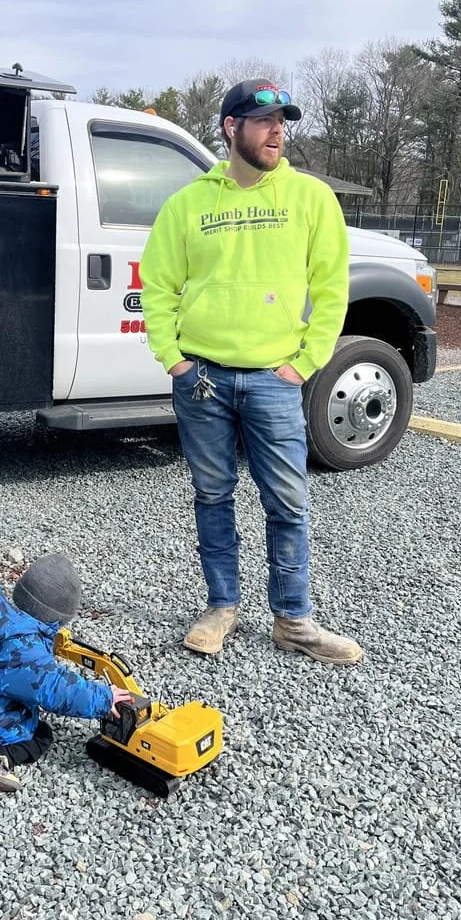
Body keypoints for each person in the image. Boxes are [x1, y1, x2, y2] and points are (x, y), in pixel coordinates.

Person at [139, 78, 363, 665]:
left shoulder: (311, 198)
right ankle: (221, 608)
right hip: (202, 380)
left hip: (273, 379)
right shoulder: (188, 204)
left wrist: (304, 364)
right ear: (231, 127)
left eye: (282, 121)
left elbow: (331, 290)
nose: (277, 132)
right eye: (264, 121)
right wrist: (174, 360)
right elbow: (157, 286)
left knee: (287, 502)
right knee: (212, 495)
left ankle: (293, 620)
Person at [0, 554, 132, 792]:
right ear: (57, 616)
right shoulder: (25, 650)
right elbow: (58, 689)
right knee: (41, 734)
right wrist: (104, 698)